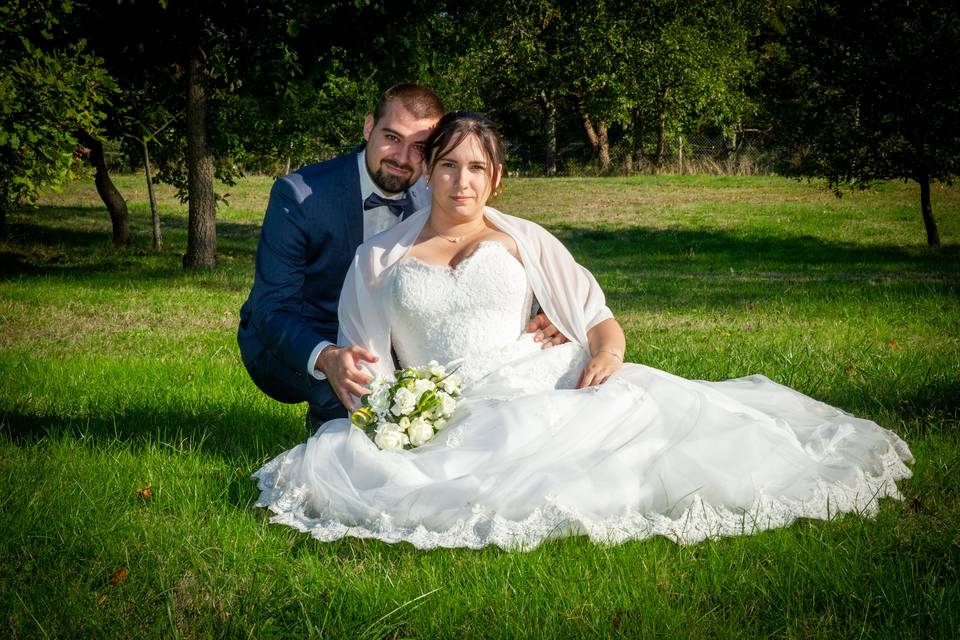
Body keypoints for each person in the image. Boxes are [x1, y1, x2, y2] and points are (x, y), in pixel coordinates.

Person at [252, 112, 913, 550]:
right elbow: (368, 359)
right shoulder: (380, 259)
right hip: (441, 401)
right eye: (449, 165)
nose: (462, 180)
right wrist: (392, 415)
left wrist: (607, 352)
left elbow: (596, 315)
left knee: (608, 448)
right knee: (374, 466)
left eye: (478, 168)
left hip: (535, 378)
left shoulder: (525, 238)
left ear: (497, 177)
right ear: (428, 172)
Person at [238, 86, 565, 427]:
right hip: (307, 332)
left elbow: (494, 258)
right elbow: (272, 307)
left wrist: (553, 313)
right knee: (360, 421)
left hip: (395, 332)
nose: (402, 157)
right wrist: (326, 356)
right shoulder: (301, 195)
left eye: (419, 147)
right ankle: (327, 410)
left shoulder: (440, 189)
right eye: (392, 137)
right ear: (368, 128)